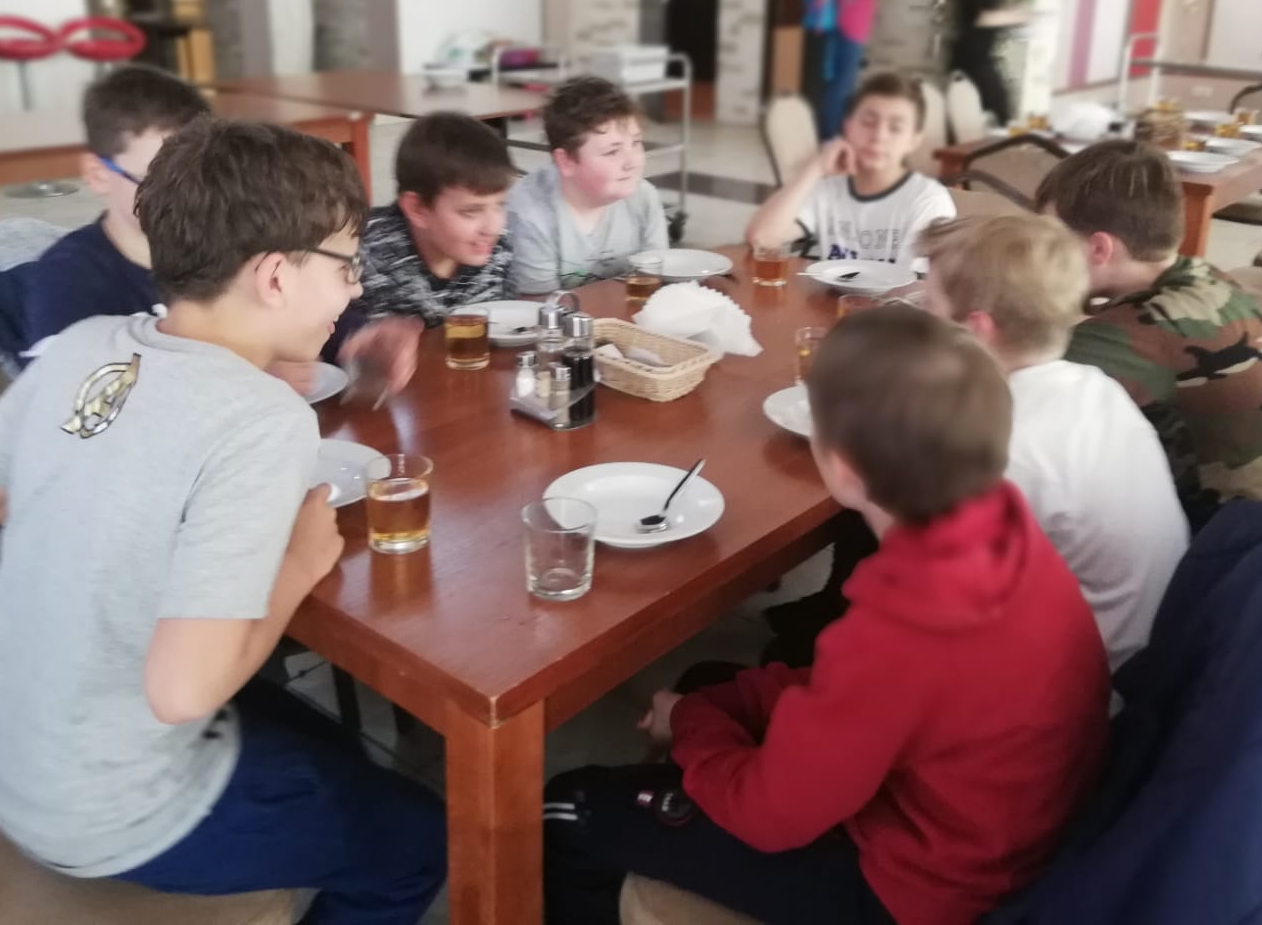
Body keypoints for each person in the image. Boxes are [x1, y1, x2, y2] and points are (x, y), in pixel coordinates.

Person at [0, 119, 446, 924]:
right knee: (420, 840)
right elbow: (182, 690)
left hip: (12, 757)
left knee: (331, 750)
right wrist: (299, 562)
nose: (350, 290)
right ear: (275, 275)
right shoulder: (259, 420)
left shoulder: (88, 344)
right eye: (346, 264)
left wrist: (97, 476)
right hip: (110, 811)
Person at [542, 307, 1110, 925]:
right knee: (713, 684)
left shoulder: (906, 628)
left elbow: (769, 818)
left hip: (916, 891)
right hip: (998, 827)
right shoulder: (1002, 523)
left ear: (841, 464)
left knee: (571, 808)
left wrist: (688, 724)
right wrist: (703, 710)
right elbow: (847, 694)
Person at [918, 214, 1189, 672]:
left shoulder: (1003, 455)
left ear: (977, 328)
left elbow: (942, 610)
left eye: (929, 306)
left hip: (1079, 682)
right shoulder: (1094, 385)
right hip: (1144, 645)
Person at [1034, 140, 1262, 530]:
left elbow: (1012, 398)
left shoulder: (1137, 332)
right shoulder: (1201, 277)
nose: (1039, 253)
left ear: (1099, 248)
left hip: (1223, 545)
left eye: (1049, 240)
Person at [0, 66, 208, 363]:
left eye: (201, 176)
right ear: (98, 174)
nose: (188, 196)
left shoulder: (219, 249)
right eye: (155, 180)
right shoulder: (70, 282)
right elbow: (68, 388)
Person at [747, 71, 954, 282]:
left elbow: (919, 287)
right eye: (868, 122)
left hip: (896, 304)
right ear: (847, 126)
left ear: (914, 140)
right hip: (831, 302)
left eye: (895, 128)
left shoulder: (928, 200)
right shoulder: (828, 189)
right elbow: (761, 239)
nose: (879, 136)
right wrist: (816, 168)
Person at [331, 110, 517, 334]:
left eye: (500, 205)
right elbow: (321, 330)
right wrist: (357, 338)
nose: (493, 227)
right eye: (470, 212)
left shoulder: (499, 250)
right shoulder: (363, 254)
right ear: (417, 209)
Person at [505, 75, 669, 294]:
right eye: (612, 152)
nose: (632, 163)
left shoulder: (644, 197)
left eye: (636, 143)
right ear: (566, 161)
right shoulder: (531, 212)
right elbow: (541, 306)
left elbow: (655, 284)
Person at [816, 0, 890, 141]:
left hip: (855, 28)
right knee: (842, 84)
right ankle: (830, 135)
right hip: (850, 28)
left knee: (845, 83)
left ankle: (834, 131)